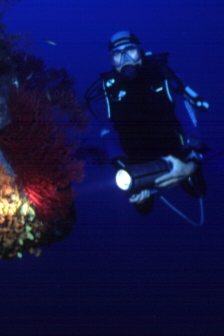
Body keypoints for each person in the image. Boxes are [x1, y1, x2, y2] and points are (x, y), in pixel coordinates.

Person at [84, 31, 209, 215]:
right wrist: (122, 165)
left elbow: (189, 121)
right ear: (111, 61)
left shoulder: (164, 77)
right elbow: (108, 135)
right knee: (143, 208)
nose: (125, 60)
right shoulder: (108, 92)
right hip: (137, 160)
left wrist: (191, 162)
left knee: (198, 191)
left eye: (130, 51)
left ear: (140, 52)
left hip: (177, 153)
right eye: (117, 55)